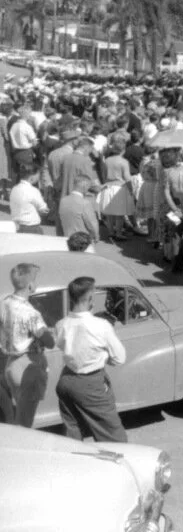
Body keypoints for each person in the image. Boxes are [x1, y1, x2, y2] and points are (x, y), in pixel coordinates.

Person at [54, 277, 128, 442]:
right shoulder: (101, 326)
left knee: (72, 431)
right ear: (90, 299)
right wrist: (103, 356)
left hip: (66, 380)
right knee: (114, 437)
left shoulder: (61, 325)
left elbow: (65, 345)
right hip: (91, 383)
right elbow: (120, 358)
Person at [0, 263, 55, 426]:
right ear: (30, 285)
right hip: (27, 365)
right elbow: (50, 342)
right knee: (25, 422)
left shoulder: (4, 302)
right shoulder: (31, 313)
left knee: (18, 414)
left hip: (9, 363)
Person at [8, 162, 48, 234]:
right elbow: (43, 209)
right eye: (38, 175)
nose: (39, 177)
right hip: (32, 227)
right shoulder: (33, 191)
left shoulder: (14, 189)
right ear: (32, 176)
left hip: (17, 227)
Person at [58, 175, 100, 242]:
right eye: (88, 186)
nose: (88, 189)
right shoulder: (85, 203)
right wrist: (96, 236)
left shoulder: (63, 200)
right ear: (84, 186)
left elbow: (59, 221)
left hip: (67, 238)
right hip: (82, 240)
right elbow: (91, 223)